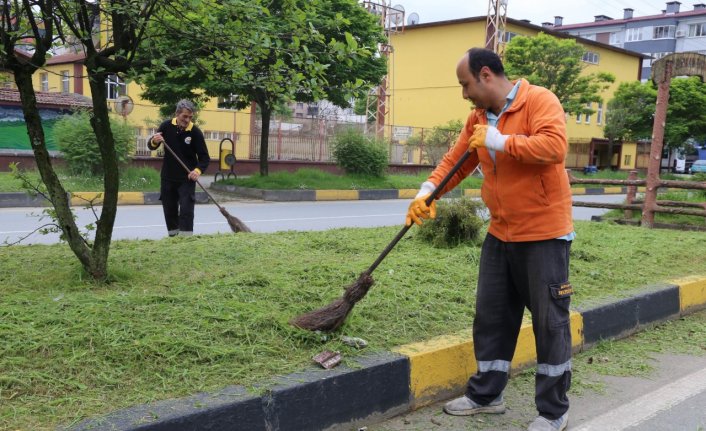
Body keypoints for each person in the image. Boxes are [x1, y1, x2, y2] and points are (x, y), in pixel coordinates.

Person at [405, 48, 574, 431]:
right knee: (492, 316)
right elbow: (456, 161)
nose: (464, 94)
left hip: (545, 233)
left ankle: (553, 412)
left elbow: (553, 147)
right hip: (501, 232)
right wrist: (425, 193)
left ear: (485, 75)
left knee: (550, 323)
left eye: (465, 84)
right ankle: (487, 395)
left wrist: (500, 140)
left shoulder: (539, 100)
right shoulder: (478, 119)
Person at [148, 99, 210, 237]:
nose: (187, 120)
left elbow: (205, 158)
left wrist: (197, 171)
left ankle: (186, 238)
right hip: (168, 177)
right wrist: (154, 140)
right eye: (184, 116)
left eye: (190, 117)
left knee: (186, 209)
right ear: (177, 114)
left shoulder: (195, 132)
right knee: (169, 208)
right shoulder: (166, 126)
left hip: (186, 178)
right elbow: (152, 145)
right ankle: (173, 237)